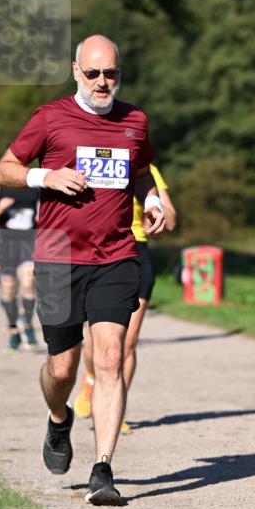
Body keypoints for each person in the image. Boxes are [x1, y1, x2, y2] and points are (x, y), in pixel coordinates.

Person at [0, 34, 165, 506]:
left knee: (108, 358)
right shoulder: (50, 118)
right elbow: (3, 169)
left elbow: (142, 169)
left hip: (115, 256)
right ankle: (58, 418)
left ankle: (103, 468)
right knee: (62, 366)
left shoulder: (135, 120)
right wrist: (44, 176)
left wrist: (149, 198)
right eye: (93, 73)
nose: (102, 82)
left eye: (111, 73)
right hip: (57, 257)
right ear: (75, 72)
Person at [72, 163, 177, 432]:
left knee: (127, 342)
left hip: (137, 252)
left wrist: (158, 214)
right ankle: (92, 381)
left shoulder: (145, 167)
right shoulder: (91, 158)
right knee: (95, 341)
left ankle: (113, 412)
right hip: (99, 251)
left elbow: (172, 217)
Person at [0, 175, 39, 351]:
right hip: (6, 244)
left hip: (28, 241)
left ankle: (27, 324)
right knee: (8, 288)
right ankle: (13, 330)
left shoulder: (34, 180)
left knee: (28, 281)